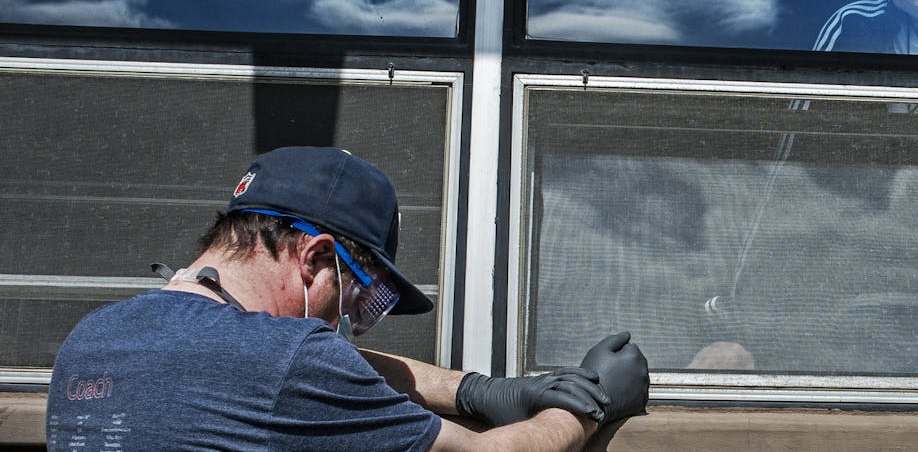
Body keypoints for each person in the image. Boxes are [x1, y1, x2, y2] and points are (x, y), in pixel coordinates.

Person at [46, 146, 648, 451]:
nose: (346, 324)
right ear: (314, 259)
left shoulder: (95, 337)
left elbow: (289, 364)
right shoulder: (284, 361)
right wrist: (585, 407)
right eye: (357, 299)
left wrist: (476, 390)